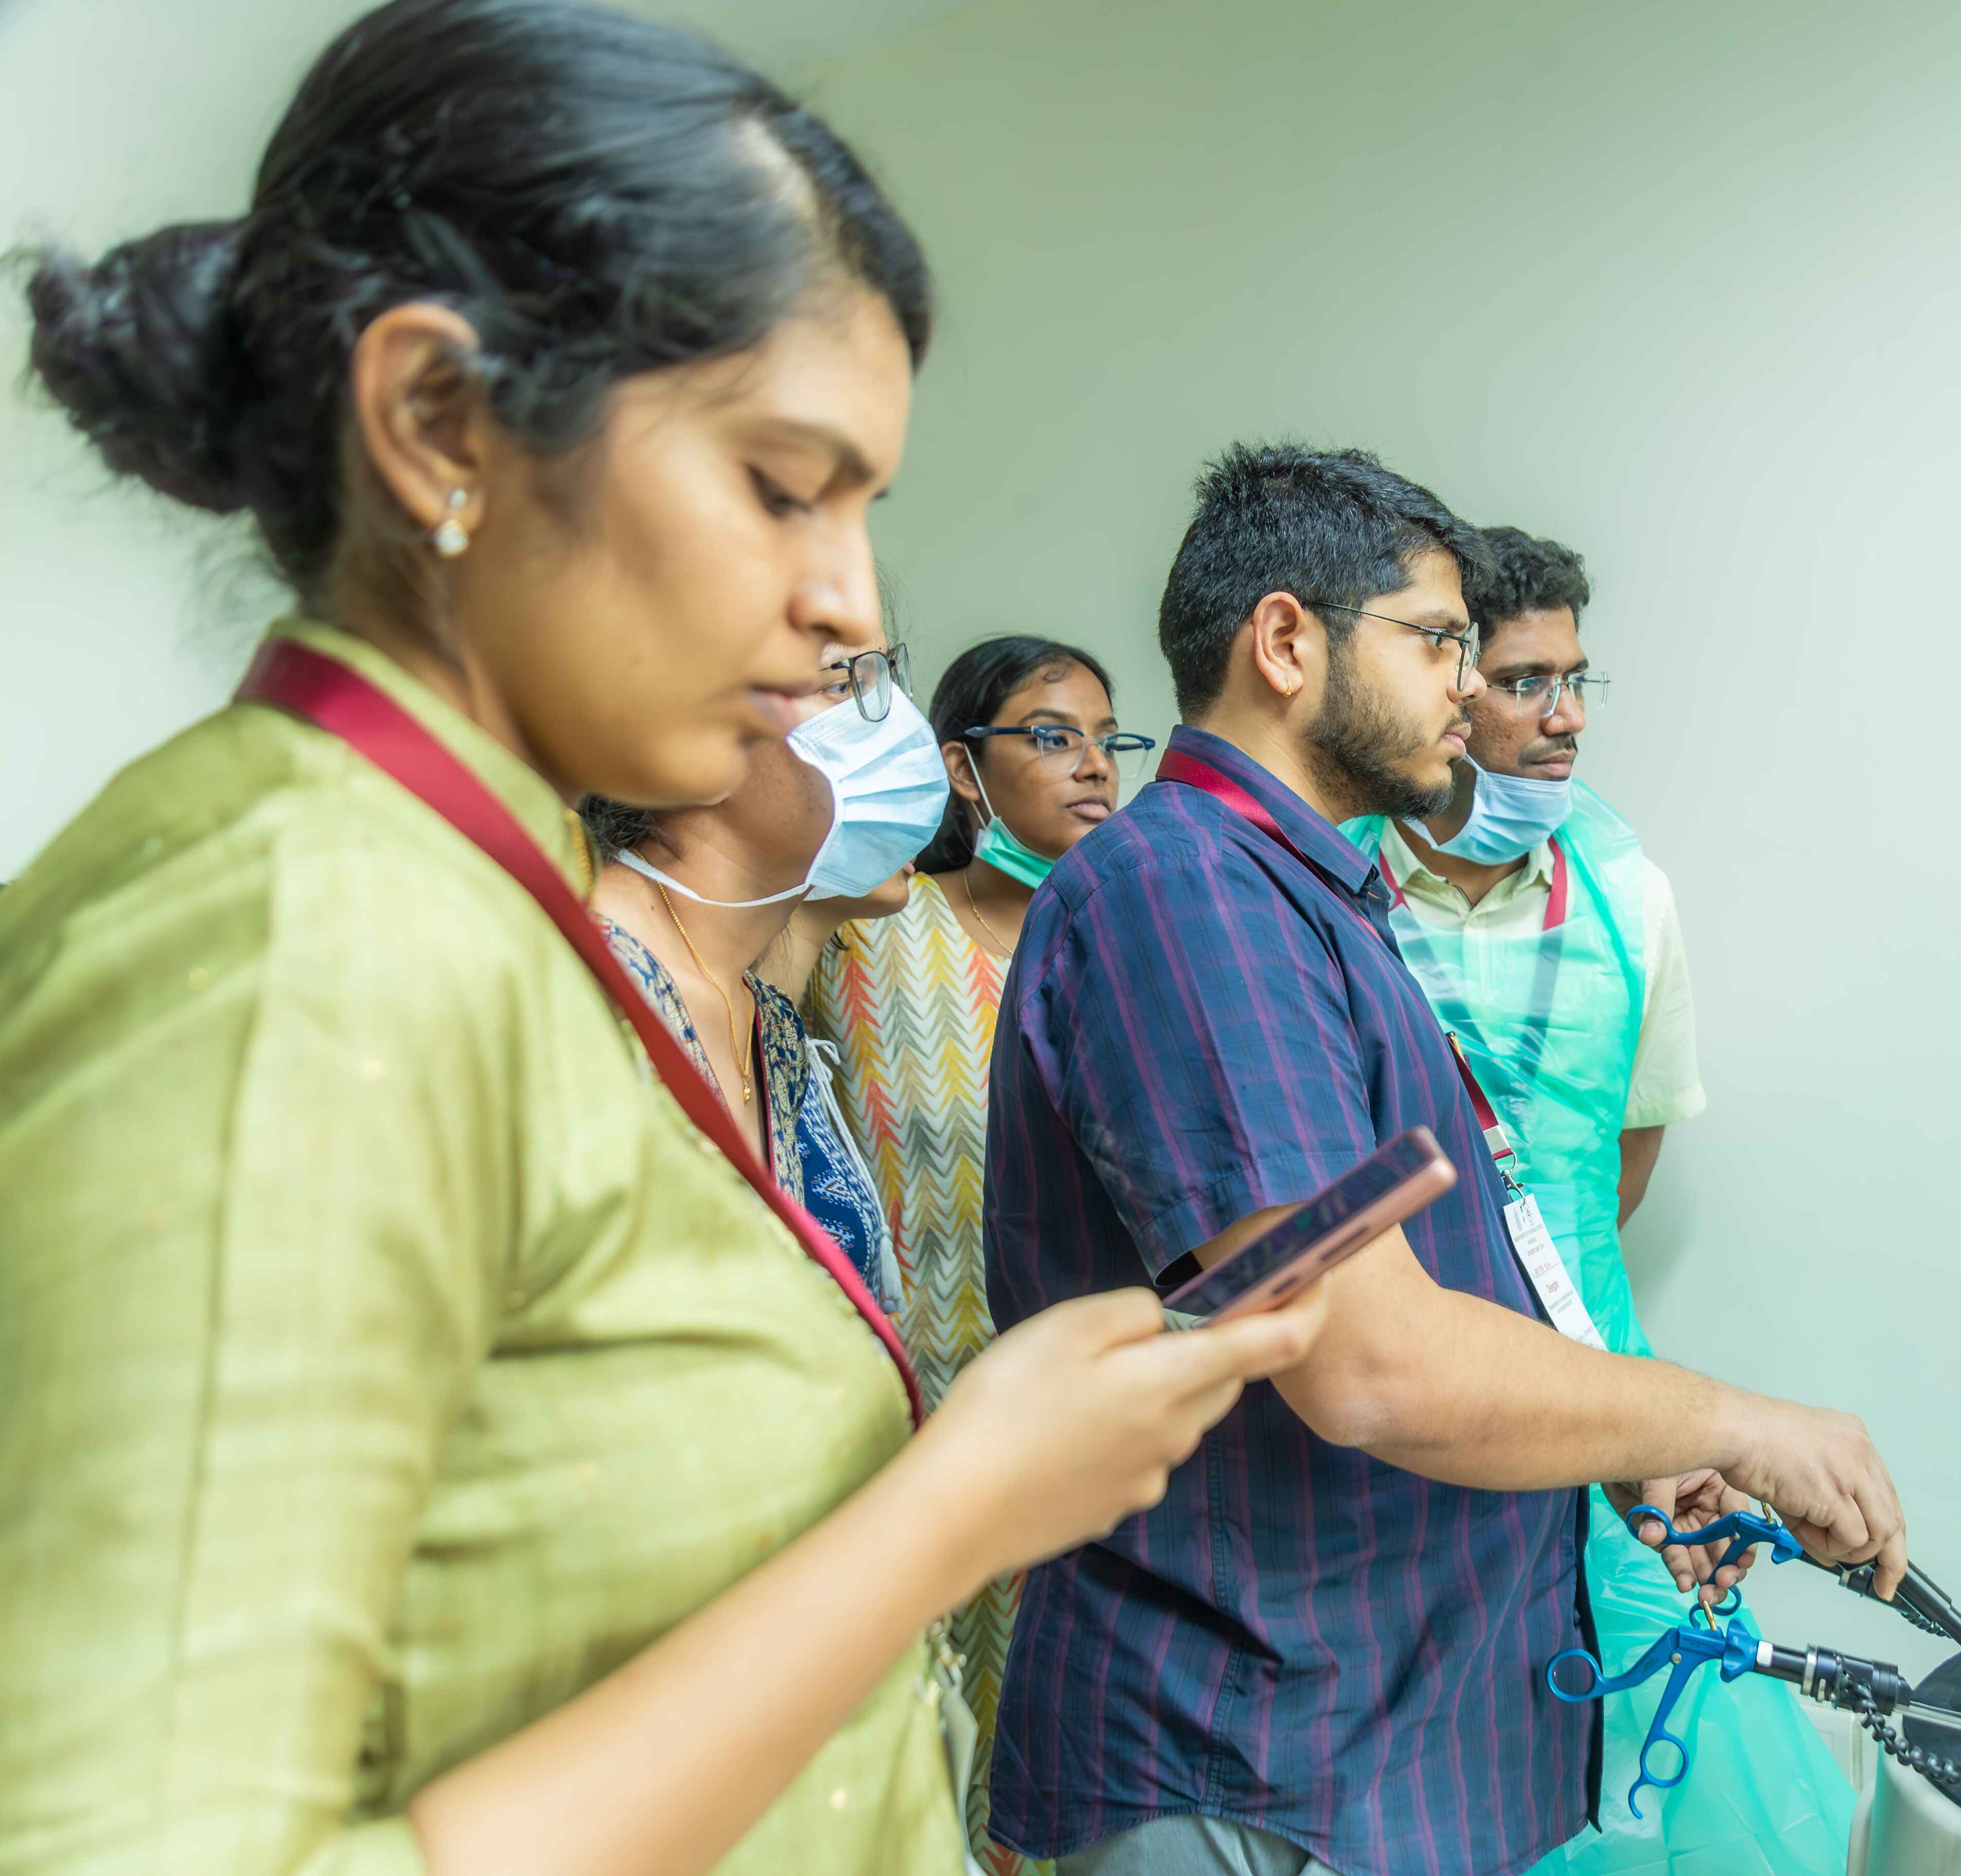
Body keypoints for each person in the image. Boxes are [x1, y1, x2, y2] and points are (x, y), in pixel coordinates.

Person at [0, 7, 1318, 1874]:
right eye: (782, 486)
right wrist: (948, 1515)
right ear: (438, 422)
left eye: (861, 508)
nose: (846, 601)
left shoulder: (481, 897)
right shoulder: (310, 937)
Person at [983, 441, 1910, 1876]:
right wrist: (1730, 1422)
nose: (1470, 695)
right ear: (1286, 642)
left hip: (1375, 1731)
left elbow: (1439, 1285)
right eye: (1437, 643)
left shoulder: (1309, 897)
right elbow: (1368, 1361)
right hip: (1255, 1750)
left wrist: (1632, 1447)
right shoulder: (1187, 894)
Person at [1343, 528, 1854, 1874]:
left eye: (1577, 680)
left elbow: (1620, 1167)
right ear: (1446, 684)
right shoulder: (1327, 890)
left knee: (1654, 1716)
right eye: (1525, 681)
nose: (1566, 717)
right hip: (1389, 1390)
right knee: (1425, 1759)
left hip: (1598, 1380)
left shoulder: (1628, 893)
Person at [801, 634, 1154, 1872]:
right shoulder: (869, 932)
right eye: (1053, 737)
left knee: (1061, 1776)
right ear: (962, 768)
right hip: (906, 1423)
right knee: (921, 1757)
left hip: (1084, 1425)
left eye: (1109, 740)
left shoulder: (1134, 950)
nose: (1095, 766)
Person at [580, 639, 934, 1305]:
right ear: (694, 741)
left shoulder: (767, 1018)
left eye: (888, 677)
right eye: (844, 685)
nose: (901, 721)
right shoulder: (584, 989)